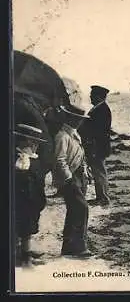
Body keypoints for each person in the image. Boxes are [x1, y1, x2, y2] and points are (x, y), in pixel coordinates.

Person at [53, 105, 92, 258]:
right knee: (82, 208)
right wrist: (68, 178)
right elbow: (59, 160)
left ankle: (70, 246)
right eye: (77, 119)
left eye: (81, 120)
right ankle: (78, 246)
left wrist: (85, 171)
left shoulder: (74, 134)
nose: (79, 122)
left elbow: (80, 155)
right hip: (68, 178)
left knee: (75, 210)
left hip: (77, 176)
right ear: (70, 118)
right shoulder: (62, 136)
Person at [14, 123, 48, 267]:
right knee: (24, 229)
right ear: (26, 142)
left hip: (32, 198)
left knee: (28, 227)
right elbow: (23, 181)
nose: (36, 146)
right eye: (34, 142)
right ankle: (25, 258)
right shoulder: (21, 159)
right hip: (25, 199)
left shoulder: (32, 159)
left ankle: (23, 253)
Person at [83, 85, 112, 206]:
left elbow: (99, 131)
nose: (90, 97)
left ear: (98, 97)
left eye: (92, 95)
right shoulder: (99, 108)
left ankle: (103, 198)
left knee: (99, 171)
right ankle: (101, 196)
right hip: (97, 145)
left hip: (98, 146)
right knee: (98, 171)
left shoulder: (102, 110)